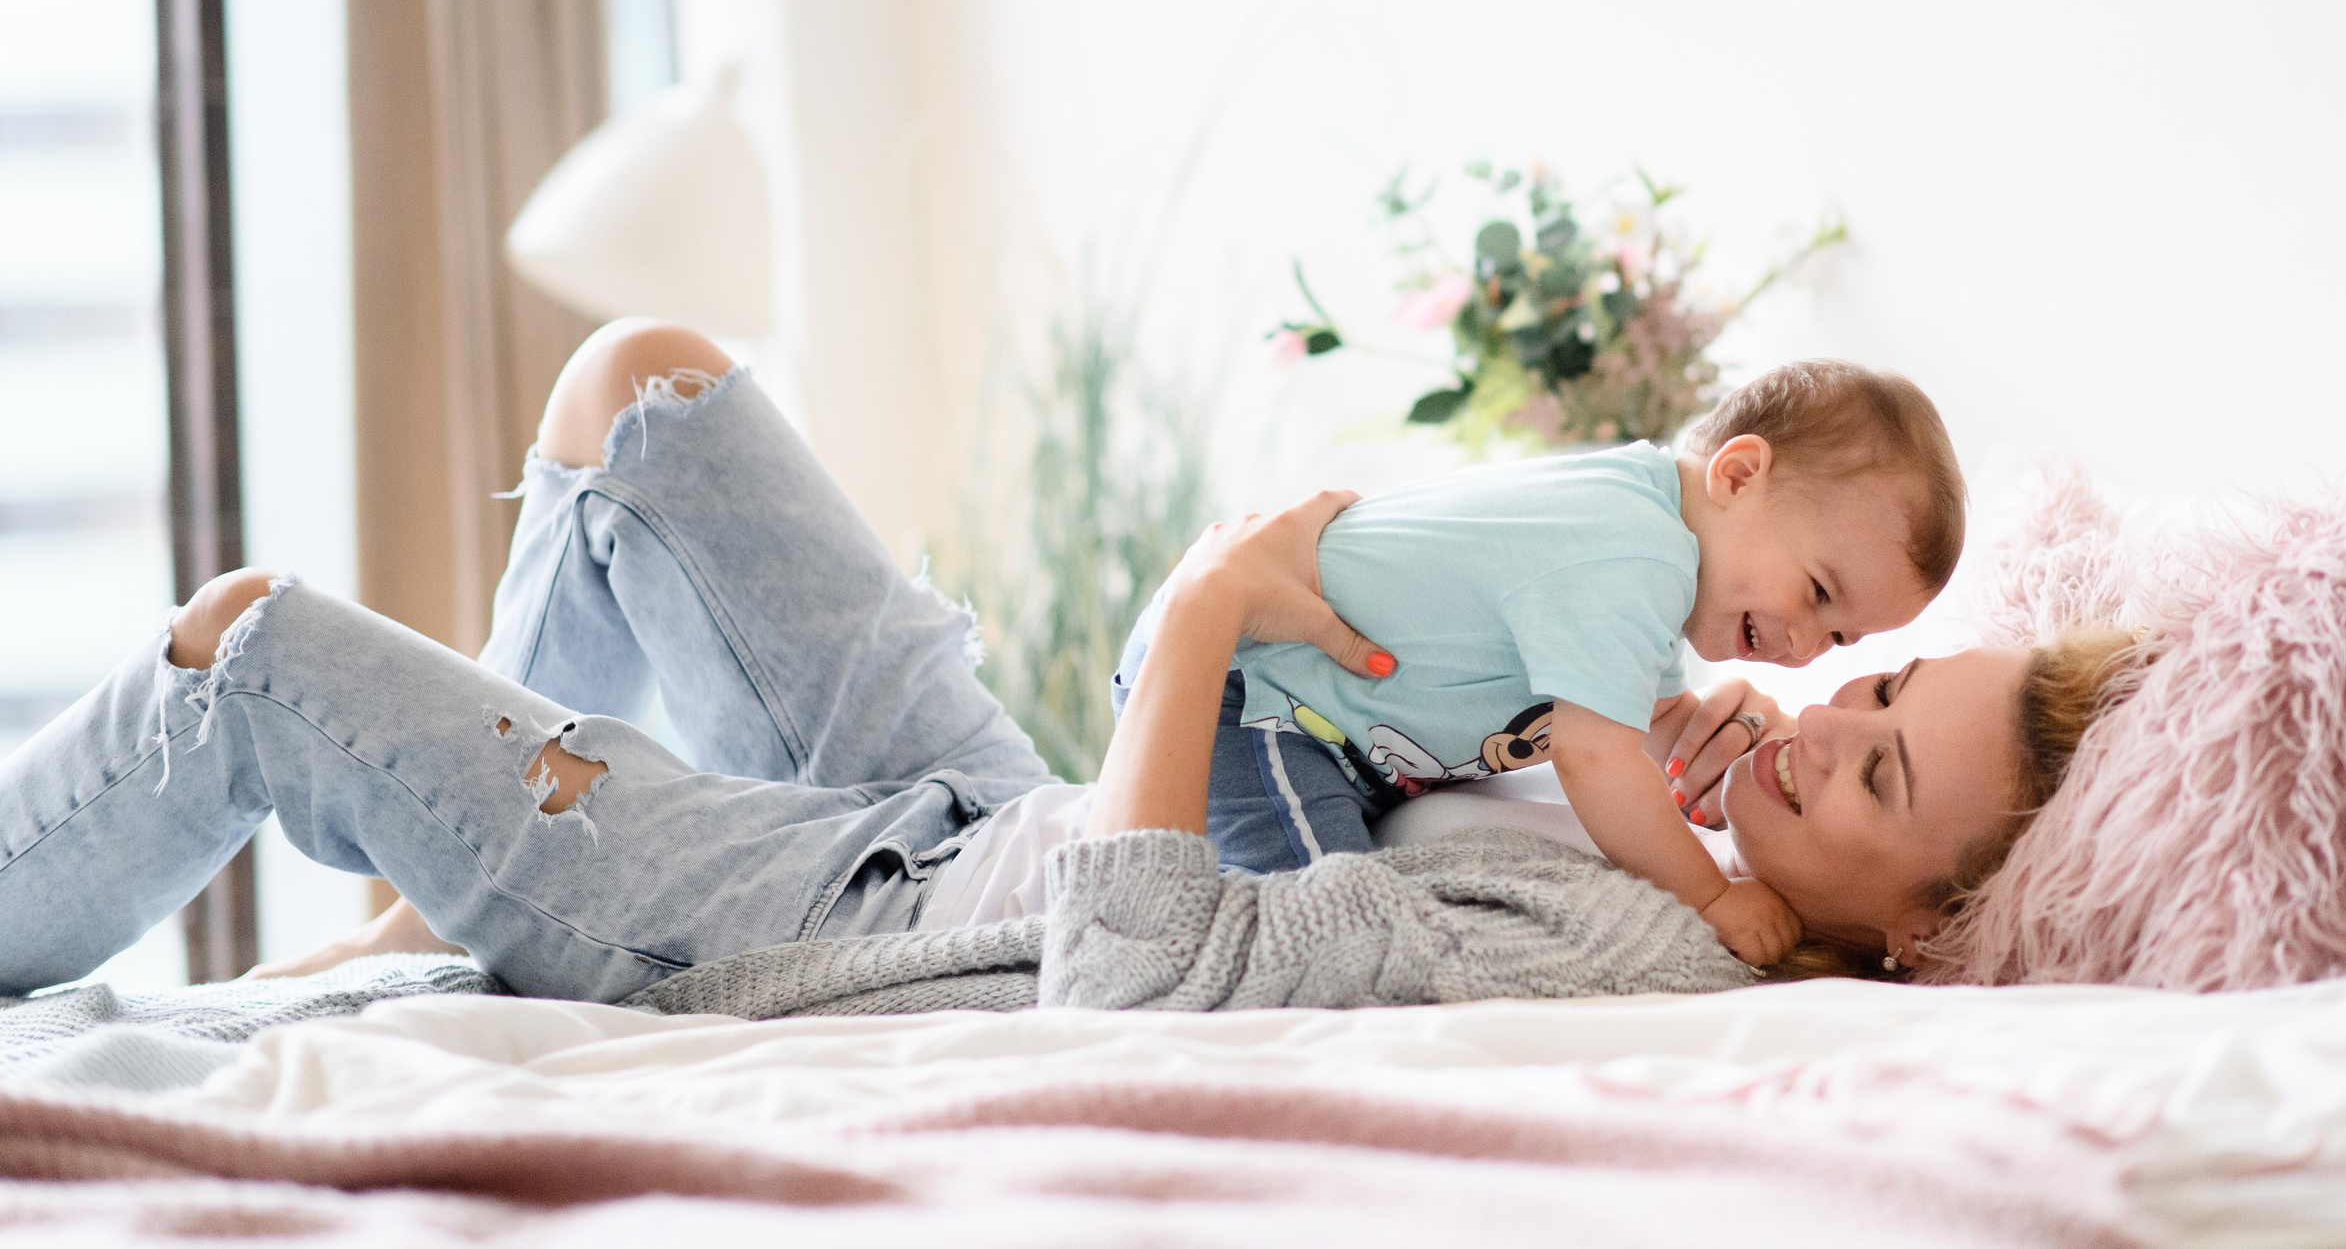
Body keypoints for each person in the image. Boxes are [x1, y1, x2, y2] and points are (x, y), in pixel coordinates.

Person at [0, 321, 2131, 999]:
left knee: (243, 649)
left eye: (1869, 761)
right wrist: (1683, 764)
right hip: (990, 796)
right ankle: (431, 886)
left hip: (892, 916)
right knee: (636, 388)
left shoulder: (1655, 954)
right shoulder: (1663, 745)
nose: (1808, 708)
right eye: (1849, 683)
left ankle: (491, 876)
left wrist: (1205, 604)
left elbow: (1144, 969)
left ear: (1919, 926)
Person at [1106, 360, 1968, 965]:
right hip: (1257, 692)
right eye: (1818, 591)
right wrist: (1712, 897)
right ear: (1739, 475)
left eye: (1843, 639)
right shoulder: (1634, 554)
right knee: (1326, 937)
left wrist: (1730, 754)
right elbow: (1596, 758)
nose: (1808, 647)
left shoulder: (1644, 546)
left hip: (1309, 714)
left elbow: (1645, 730)